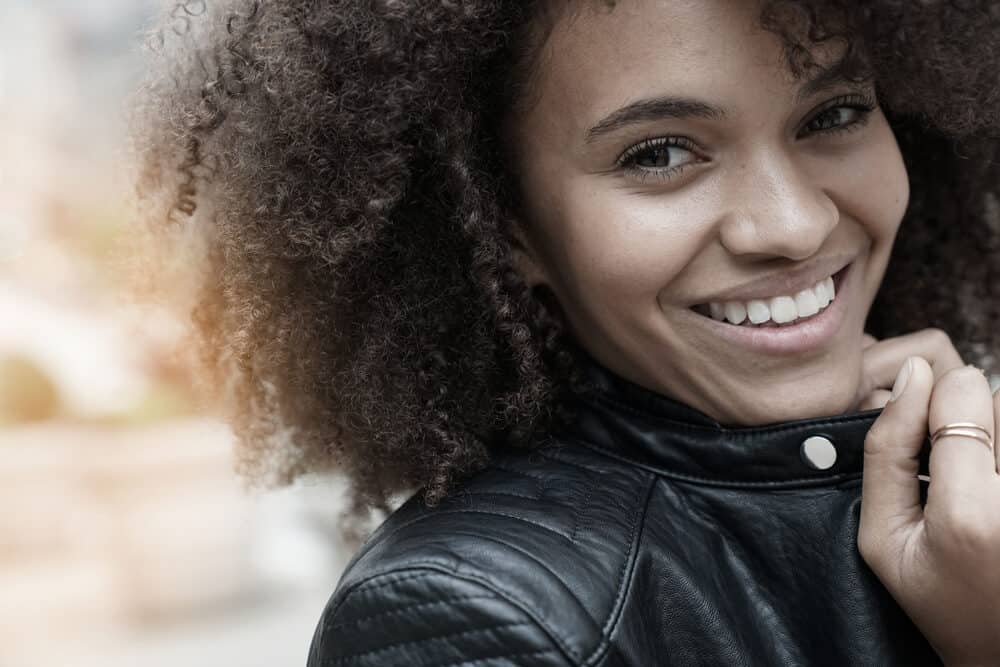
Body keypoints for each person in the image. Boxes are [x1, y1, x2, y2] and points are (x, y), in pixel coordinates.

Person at [129, 0, 1000, 664]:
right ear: (508, 226)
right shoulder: (470, 621)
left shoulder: (940, 485)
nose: (794, 225)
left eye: (833, 114)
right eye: (659, 153)